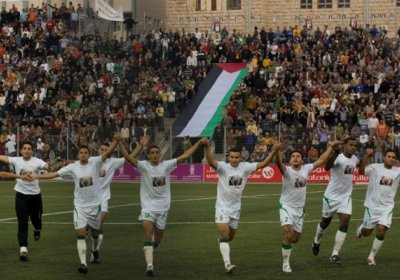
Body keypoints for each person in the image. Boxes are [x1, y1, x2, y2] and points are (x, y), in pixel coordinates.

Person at [117, 135, 204, 276]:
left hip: (163, 208)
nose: (155, 155)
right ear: (149, 155)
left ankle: (155, 244)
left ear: (160, 154)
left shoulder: (166, 165)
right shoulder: (144, 166)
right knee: (147, 235)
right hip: (147, 208)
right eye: (152, 153)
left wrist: (198, 144)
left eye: (157, 153)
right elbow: (128, 158)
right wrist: (123, 142)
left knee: (158, 238)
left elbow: (185, 155)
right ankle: (150, 266)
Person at [27, 140, 118, 274]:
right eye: (81, 153)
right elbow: (54, 174)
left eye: (85, 153)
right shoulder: (73, 167)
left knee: (95, 233)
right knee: (80, 233)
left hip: (94, 206)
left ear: (89, 155)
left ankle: (95, 250)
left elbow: (108, 153)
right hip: (79, 206)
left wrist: (116, 141)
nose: (83, 155)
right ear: (78, 155)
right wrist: (36, 176)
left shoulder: (96, 162)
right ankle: (83, 263)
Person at [203, 139, 280, 274]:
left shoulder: (245, 167)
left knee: (229, 237)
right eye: (232, 157)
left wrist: (273, 152)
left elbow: (263, 164)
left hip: (236, 209)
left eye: (236, 157)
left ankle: (222, 241)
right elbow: (210, 161)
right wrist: (206, 147)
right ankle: (227, 264)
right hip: (221, 207)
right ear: (228, 157)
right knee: (226, 235)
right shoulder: (223, 167)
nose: (234, 160)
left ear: (240, 158)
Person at [275, 141, 340, 273]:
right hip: (286, 206)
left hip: (300, 209)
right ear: (290, 159)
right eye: (293, 156)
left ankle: (287, 232)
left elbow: (321, 160)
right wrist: (277, 152)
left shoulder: (306, 169)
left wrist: (331, 147)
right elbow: (278, 164)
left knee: (295, 238)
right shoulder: (286, 171)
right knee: (288, 234)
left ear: (302, 159)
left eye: (298, 156)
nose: (295, 158)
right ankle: (286, 264)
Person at [311, 137, 360, 264]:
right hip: (331, 197)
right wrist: (335, 151)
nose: (353, 147)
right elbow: (327, 167)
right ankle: (316, 241)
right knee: (325, 222)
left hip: (345, 197)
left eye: (355, 145)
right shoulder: (338, 157)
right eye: (351, 145)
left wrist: (367, 157)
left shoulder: (355, 159)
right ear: (345, 146)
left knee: (345, 221)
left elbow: (361, 165)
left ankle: (335, 254)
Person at [0, 141, 50, 261]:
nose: (27, 150)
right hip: (21, 196)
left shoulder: (37, 161)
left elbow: (47, 167)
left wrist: (49, 166)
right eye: (24, 148)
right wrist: (20, 177)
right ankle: (23, 249)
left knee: (36, 221)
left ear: (32, 151)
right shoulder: (16, 160)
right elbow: (3, 158)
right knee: (22, 223)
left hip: (35, 197)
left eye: (29, 149)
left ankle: (37, 229)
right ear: (21, 150)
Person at [355, 148, 400, 265]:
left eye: (393, 157)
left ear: (395, 160)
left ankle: (371, 256)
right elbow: (360, 172)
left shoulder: (398, 172)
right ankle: (361, 229)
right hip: (372, 207)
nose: (391, 159)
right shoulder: (375, 167)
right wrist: (366, 156)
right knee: (367, 232)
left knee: (381, 231)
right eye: (389, 156)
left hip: (387, 208)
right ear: (384, 157)